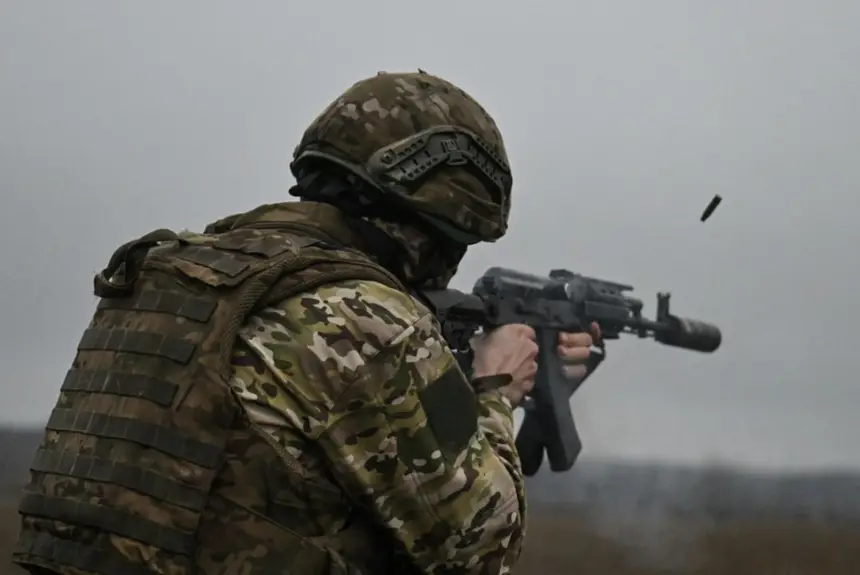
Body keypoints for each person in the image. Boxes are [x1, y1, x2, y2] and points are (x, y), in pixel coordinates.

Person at [13, 70, 600, 575]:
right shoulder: (363, 316)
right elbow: (481, 547)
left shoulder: (173, 271)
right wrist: (495, 388)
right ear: (439, 221)